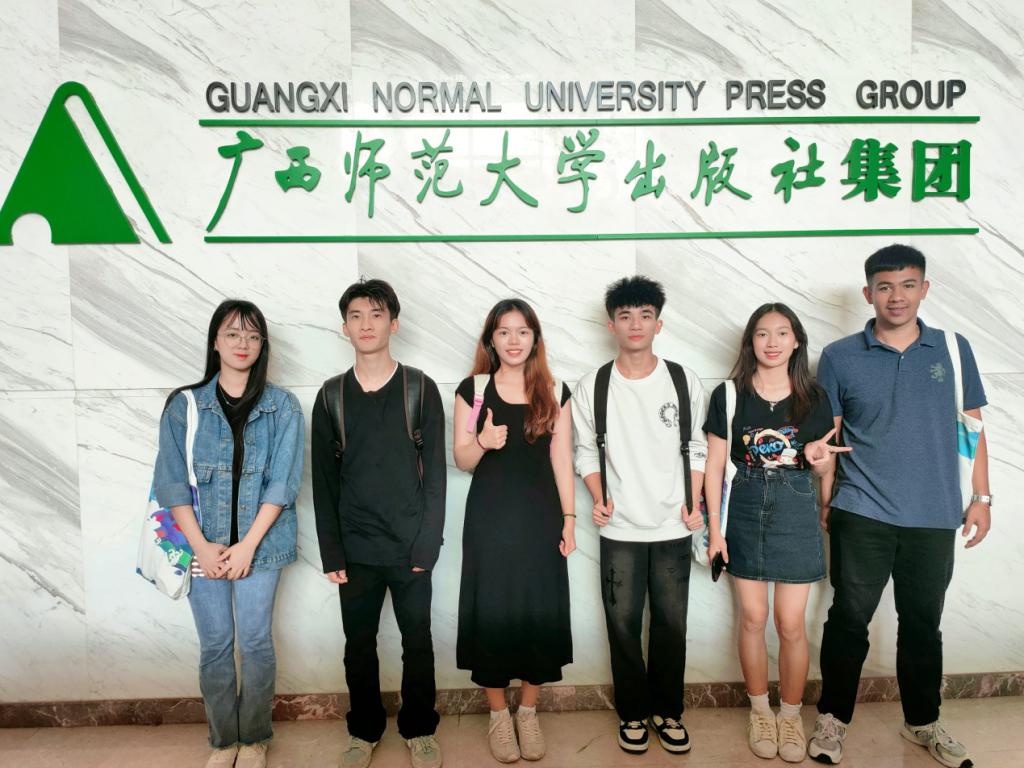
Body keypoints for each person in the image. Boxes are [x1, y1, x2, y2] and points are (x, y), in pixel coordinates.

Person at [809, 244, 990, 768]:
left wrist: (981, 498)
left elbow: (972, 430)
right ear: (867, 293)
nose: (896, 296)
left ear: (924, 289)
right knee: (848, 619)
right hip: (861, 508)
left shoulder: (952, 349)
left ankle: (923, 722)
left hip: (934, 512)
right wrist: (826, 499)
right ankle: (833, 719)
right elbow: (829, 440)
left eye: (908, 285)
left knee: (922, 623)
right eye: (884, 287)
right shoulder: (840, 356)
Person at [154, 299, 304, 768]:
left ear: (263, 345)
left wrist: (247, 547)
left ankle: (254, 738)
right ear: (215, 341)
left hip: (263, 545)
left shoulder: (283, 407)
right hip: (203, 544)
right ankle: (223, 742)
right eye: (233, 333)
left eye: (253, 335)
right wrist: (201, 547)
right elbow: (171, 483)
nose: (243, 343)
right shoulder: (185, 405)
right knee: (216, 644)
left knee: (255, 642)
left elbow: (282, 485)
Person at [703, 303, 848, 762]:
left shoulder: (815, 397)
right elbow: (713, 467)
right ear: (750, 341)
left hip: (796, 506)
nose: (772, 342)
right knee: (752, 616)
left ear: (796, 340)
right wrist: (715, 531)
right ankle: (760, 711)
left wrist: (821, 468)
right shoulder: (729, 395)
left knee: (790, 622)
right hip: (743, 507)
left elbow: (825, 465)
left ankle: (789, 716)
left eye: (782, 333)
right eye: (762, 333)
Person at [312, 279, 446, 768]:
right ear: (343, 326)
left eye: (376, 314)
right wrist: (333, 552)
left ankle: (420, 729)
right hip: (356, 549)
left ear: (394, 323)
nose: (366, 324)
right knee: (358, 647)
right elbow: (324, 482)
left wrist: (427, 546)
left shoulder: (419, 389)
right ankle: (363, 730)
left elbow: (436, 477)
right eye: (356, 315)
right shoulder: (331, 397)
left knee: (418, 644)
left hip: (410, 547)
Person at [572, 276, 707, 756]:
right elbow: (585, 451)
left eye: (645, 315)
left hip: (673, 523)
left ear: (658, 324)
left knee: (671, 623)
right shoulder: (594, 385)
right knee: (623, 624)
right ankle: (632, 713)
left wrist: (694, 501)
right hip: (620, 526)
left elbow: (697, 445)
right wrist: (597, 496)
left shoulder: (682, 380)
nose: (635, 324)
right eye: (625, 315)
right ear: (611, 324)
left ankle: (668, 711)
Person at [453, 298, 575, 763]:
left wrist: (569, 519)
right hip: (489, 521)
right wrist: (483, 442)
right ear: (491, 339)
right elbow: (461, 458)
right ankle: (498, 715)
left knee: (538, 611)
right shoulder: (474, 390)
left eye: (522, 331)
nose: (513, 340)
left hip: (541, 520)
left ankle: (527, 711)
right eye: (504, 331)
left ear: (535, 338)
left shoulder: (555, 390)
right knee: (491, 610)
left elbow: (561, 460)